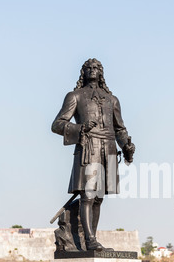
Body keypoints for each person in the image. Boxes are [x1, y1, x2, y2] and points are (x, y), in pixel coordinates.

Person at [52, 58, 135, 251]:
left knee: (99, 197)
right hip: (88, 147)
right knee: (88, 195)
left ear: (101, 72)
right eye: (88, 67)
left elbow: (120, 129)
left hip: (109, 148)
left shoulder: (112, 100)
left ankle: (92, 239)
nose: (92, 70)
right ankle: (89, 240)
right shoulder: (75, 96)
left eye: (96, 67)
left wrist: (127, 146)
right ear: (83, 72)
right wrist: (80, 128)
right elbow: (57, 124)